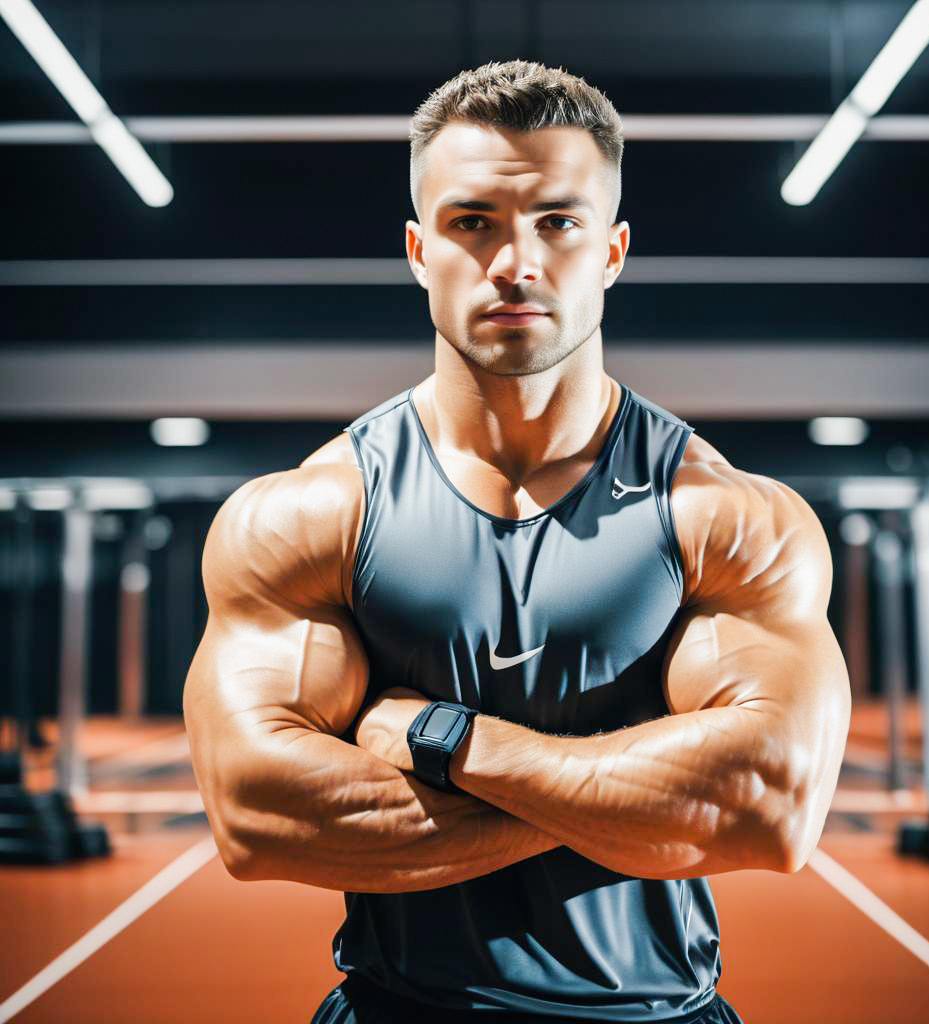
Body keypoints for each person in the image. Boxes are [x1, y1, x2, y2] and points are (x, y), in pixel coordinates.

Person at [184, 60, 851, 1024]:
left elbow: (767, 807)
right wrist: (630, 797)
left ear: (613, 252)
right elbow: (257, 817)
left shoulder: (725, 515)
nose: (516, 263)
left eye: (558, 221)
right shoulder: (311, 512)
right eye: (473, 224)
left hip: (656, 1013)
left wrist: (442, 739)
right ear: (419, 250)